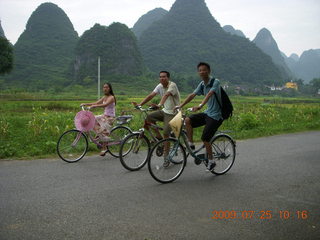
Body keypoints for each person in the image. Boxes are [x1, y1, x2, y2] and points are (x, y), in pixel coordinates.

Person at [176, 62, 223, 172]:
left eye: (204, 70)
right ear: (198, 72)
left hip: (216, 116)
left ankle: (211, 161)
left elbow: (210, 94)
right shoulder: (202, 84)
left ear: (209, 71)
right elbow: (192, 95)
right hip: (208, 113)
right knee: (187, 120)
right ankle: (191, 143)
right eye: (200, 70)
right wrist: (181, 105)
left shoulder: (215, 82)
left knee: (205, 138)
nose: (202, 72)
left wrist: (200, 105)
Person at [132, 71, 181, 164]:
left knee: (166, 132)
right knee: (149, 118)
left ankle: (166, 157)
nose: (162, 78)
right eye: (160, 77)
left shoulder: (172, 85)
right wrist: (140, 104)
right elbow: (151, 95)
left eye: (164, 77)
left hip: (174, 113)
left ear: (168, 78)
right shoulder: (159, 86)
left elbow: (166, 95)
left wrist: (159, 105)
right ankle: (159, 137)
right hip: (165, 111)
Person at [81, 82, 116, 156]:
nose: (105, 89)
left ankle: (104, 148)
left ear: (110, 89)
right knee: (92, 119)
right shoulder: (104, 97)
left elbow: (105, 105)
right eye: (104, 87)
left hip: (110, 117)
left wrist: (95, 106)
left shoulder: (111, 97)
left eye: (107, 87)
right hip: (104, 116)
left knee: (103, 130)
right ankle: (99, 135)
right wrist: (86, 104)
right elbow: (96, 102)